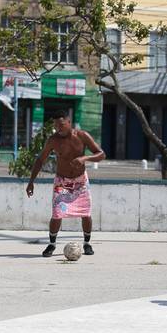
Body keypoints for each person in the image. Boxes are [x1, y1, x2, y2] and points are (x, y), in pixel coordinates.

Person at [26, 110, 105, 258]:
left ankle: (87, 243)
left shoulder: (82, 136)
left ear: (69, 122)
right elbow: (40, 160)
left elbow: (101, 154)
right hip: (62, 182)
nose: (58, 128)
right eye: (56, 126)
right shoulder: (53, 140)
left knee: (86, 213)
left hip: (80, 181)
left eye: (61, 125)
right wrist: (31, 182)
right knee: (57, 214)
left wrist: (84, 158)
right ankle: (52, 244)